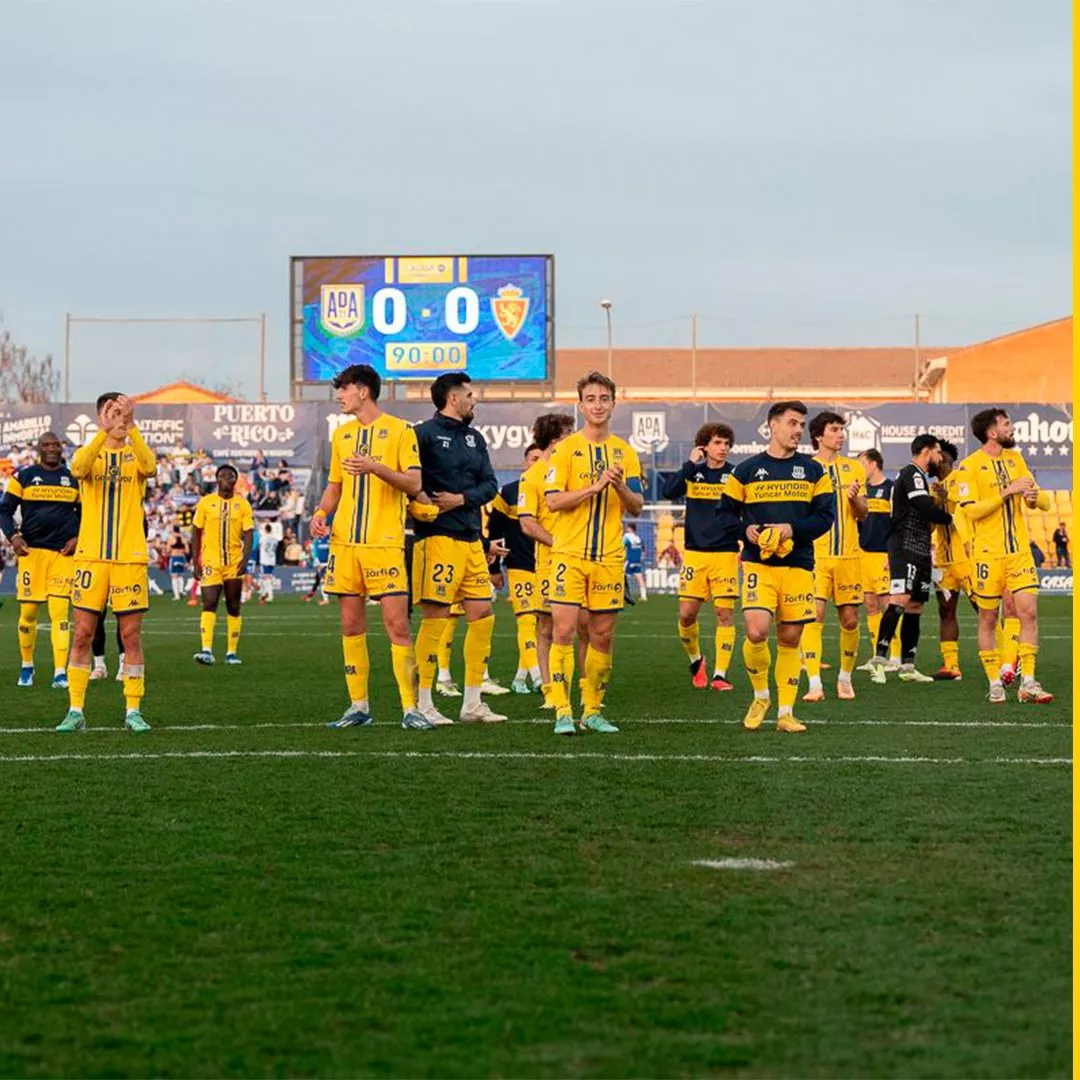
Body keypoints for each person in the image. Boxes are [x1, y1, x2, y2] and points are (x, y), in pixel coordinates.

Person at [310, 363, 429, 729]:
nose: (339, 396)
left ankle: (411, 709)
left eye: (344, 389)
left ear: (363, 390)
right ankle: (358, 706)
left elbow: (413, 483)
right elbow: (335, 486)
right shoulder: (342, 435)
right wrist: (321, 513)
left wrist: (375, 467)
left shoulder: (400, 432)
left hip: (384, 543)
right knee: (349, 625)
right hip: (345, 544)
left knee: (397, 626)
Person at [717, 401, 834, 733]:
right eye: (793, 423)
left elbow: (825, 517)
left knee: (790, 638)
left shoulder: (813, 471)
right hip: (758, 564)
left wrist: (791, 529)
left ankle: (786, 712)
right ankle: (760, 696)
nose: (799, 430)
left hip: (798, 565)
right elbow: (724, 514)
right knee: (755, 631)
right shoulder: (746, 471)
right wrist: (746, 531)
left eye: (801, 425)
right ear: (773, 425)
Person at [544, 371, 644, 735]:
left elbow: (636, 507)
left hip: (608, 558)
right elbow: (553, 501)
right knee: (565, 632)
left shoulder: (625, 452)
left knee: (602, 636)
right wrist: (594, 486)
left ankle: (593, 710)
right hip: (569, 555)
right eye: (591, 399)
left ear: (613, 404)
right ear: (581, 404)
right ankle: (562, 712)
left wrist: (617, 487)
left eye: (604, 399)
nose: (598, 405)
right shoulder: (566, 450)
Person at [58, 393, 157, 732]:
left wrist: (131, 426)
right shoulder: (90, 453)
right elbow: (79, 468)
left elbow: (151, 467)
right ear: (100, 416)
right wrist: (105, 431)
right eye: (110, 412)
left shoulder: (135, 453)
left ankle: (133, 711)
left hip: (129, 558)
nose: (116, 417)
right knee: (82, 634)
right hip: (90, 557)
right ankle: (75, 710)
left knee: (130, 636)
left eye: (121, 411)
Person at [411, 372, 504, 725]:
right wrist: (426, 503)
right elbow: (409, 480)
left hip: (470, 541)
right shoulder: (422, 435)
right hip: (437, 540)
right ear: (452, 398)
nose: (473, 401)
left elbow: (491, 485)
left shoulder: (475, 438)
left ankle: (472, 704)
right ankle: (424, 703)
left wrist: (461, 499)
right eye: (469, 395)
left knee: (482, 616)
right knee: (435, 620)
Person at [954, 408, 1053, 704]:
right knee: (987, 618)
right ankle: (994, 681)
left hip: (1019, 552)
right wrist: (1006, 492)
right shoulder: (969, 467)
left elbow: (1042, 500)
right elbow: (970, 510)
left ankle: (1029, 682)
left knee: (1028, 613)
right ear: (992, 432)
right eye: (1006, 424)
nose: (1012, 428)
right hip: (987, 555)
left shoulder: (1016, 459)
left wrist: (1035, 499)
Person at [867, 435, 951, 684]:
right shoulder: (912, 473)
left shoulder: (921, 478)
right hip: (905, 548)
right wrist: (952, 518)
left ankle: (907, 665)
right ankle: (879, 661)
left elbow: (925, 510)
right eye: (938, 453)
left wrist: (941, 500)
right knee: (900, 600)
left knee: (915, 607)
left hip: (921, 549)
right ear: (926, 451)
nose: (940, 458)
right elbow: (924, 508)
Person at [662, 422, 739, 690]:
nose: (723, 448)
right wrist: (689, 464)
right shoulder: (693, 472)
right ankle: (697, 660)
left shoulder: (735, 475)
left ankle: (720, 674)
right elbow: (667, 492)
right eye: (718, 443)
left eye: (727, 444)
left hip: (726, 553)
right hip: (695, 554)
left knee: (724, 613)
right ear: (704, 446)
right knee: (686, 615)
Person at [0, 431, 80, 689]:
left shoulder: (73, 479)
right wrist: (13, 537)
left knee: (60, 614)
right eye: (46, 444)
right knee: (28, 613)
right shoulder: (23, 476)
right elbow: (4, 510)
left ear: (61, 448)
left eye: (55, 444)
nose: (51, 448)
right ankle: (27, 666)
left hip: (61, 555)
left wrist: (77, 536)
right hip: (31, 554)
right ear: (39, 448)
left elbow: (88, 512)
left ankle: (60, 672)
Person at [800, 411, 867, 702]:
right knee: (813, 616)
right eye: (834, 429)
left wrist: (854, 500)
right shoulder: (805, 469)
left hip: (849, 557)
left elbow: (863, 513)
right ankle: (814, 682)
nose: (840, 434)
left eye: (842, 429)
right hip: (815, 557)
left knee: (850, 620)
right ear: (818, 436)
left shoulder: (854, 468)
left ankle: (845, 678)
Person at [518, 412, 576, 710]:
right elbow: (527, 523)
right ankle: (551, 691)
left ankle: (586, 690)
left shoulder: (577, 467)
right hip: (550, 563)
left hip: (584, 559)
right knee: (548, 628)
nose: (576, 436)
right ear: (556, 438)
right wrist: (560, 543)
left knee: (588, 627)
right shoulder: (532, 476)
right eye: (570, 431)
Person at [488, 443, 544, 694]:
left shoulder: (554, 491)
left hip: (547, 566)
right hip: (519, 566)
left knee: (543, 623)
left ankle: (520, 677)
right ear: (524, 463)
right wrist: (495, 569)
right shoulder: (509, 493)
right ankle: (539, 677)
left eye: (543, 459)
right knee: (526, 620)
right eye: (533, 458)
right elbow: (495, 533)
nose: (538, 463)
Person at [190, 464, 255, 666]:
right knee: (209, 603)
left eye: (231, 476)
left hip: (234, 562)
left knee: (233, 606)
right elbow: (196, 531)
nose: (227, 478)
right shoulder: (206, 503)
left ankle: (231, 653)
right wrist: (195, 561)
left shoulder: (243, 505)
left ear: (236, 480)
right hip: (210, 561)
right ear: (216, 479)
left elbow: (249, 533)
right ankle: (206, 650)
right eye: (223, 475)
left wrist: (245, 559)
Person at [930, 440, 975, 681]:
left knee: (985, 610)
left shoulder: (963, 477)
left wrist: (949, 496)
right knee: (945, 611)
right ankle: (951, 665)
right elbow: (930, 525)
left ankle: (1004, 661)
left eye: (934, 454)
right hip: (944, 561)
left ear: (943, 457)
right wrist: (932, 504)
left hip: (967, 557)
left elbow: (972, 510)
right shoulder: (932, 488)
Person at [855, 449, 901, 673]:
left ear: (873, 464)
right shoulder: (861, 493)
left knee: (888, 606)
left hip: (884, 555)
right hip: (863, 556)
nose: (859, 468)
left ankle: (895, 655)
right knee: (871, 606)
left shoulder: (891, 489)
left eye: (862, 463)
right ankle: (877, 655)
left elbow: (898, 525)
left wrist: (893, 555)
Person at [622, 523, 647, 602]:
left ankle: (620, 594)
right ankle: (644, 596)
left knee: (620, 576)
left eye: (627, 527)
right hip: (637, 561)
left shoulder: (627, 536)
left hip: (629, 561)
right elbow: (643, 549)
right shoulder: (638, 538)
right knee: (640, 579)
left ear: (630, 528)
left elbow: (621, 546)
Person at [305, 531, 332, 605]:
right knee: (322, 580)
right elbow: (315, 554)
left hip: (330, 564)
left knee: (324, 580)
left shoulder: (329, 540)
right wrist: (317, 564)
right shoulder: (316, 542)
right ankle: (325, 599)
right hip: (322, 564)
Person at [257, 523, 278, 603]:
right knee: (267, 577)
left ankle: (269, 595)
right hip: (272, 559)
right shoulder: (275, 538)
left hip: (265, 559)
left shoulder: (263, 538)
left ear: (266, 530)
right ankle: (265, 594)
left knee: (266, 578)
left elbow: (260, 546)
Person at [167, 524, 189, 601]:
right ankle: (181, 591)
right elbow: (187, 551)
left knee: (174, 576)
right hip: (182, 558)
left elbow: (168, 550)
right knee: (180, 576)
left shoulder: (171, 538)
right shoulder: (184, 539)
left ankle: (177, 596)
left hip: (174, 557)